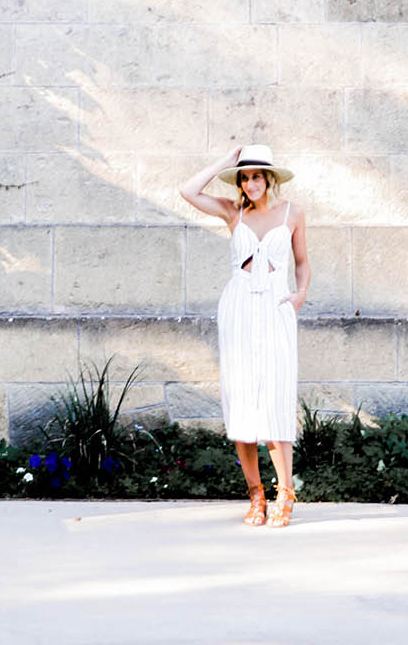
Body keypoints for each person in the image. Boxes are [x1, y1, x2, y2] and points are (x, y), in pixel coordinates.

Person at [179, 142, 310, 527]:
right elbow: (187, 191)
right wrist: (224, 161)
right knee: (242, 400)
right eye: (245, 176)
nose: (250, 183)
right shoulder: (233, 211)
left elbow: (302, 262)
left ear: (269, 178)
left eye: (256, 176)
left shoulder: (293, 213)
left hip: (275, 305)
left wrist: (300, 295)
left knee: (275, 396)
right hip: (238, 307)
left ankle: (285, 493)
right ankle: (256, 495)